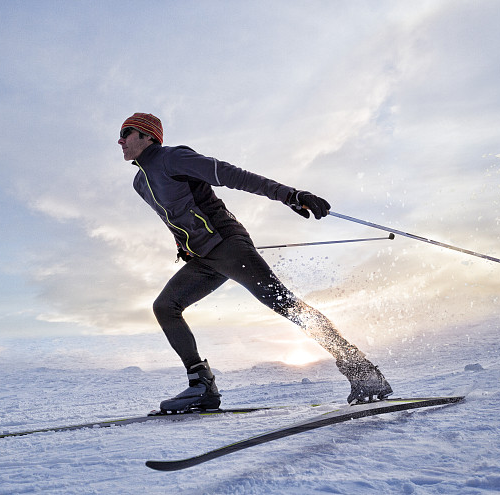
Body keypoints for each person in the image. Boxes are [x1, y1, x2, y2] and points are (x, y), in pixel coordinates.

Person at [118, 112, 392, 412]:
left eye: (128, 132)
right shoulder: (140, 182)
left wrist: (290, 195)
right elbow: (176, 215)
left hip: (226, 245)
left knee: (284, 304)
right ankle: (202, 386)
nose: (121, 140)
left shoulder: (173, 158)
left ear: (148, 136)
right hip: (203, 258)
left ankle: (362, 371)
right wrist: (184, 245)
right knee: (165, 307)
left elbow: (232, 175)